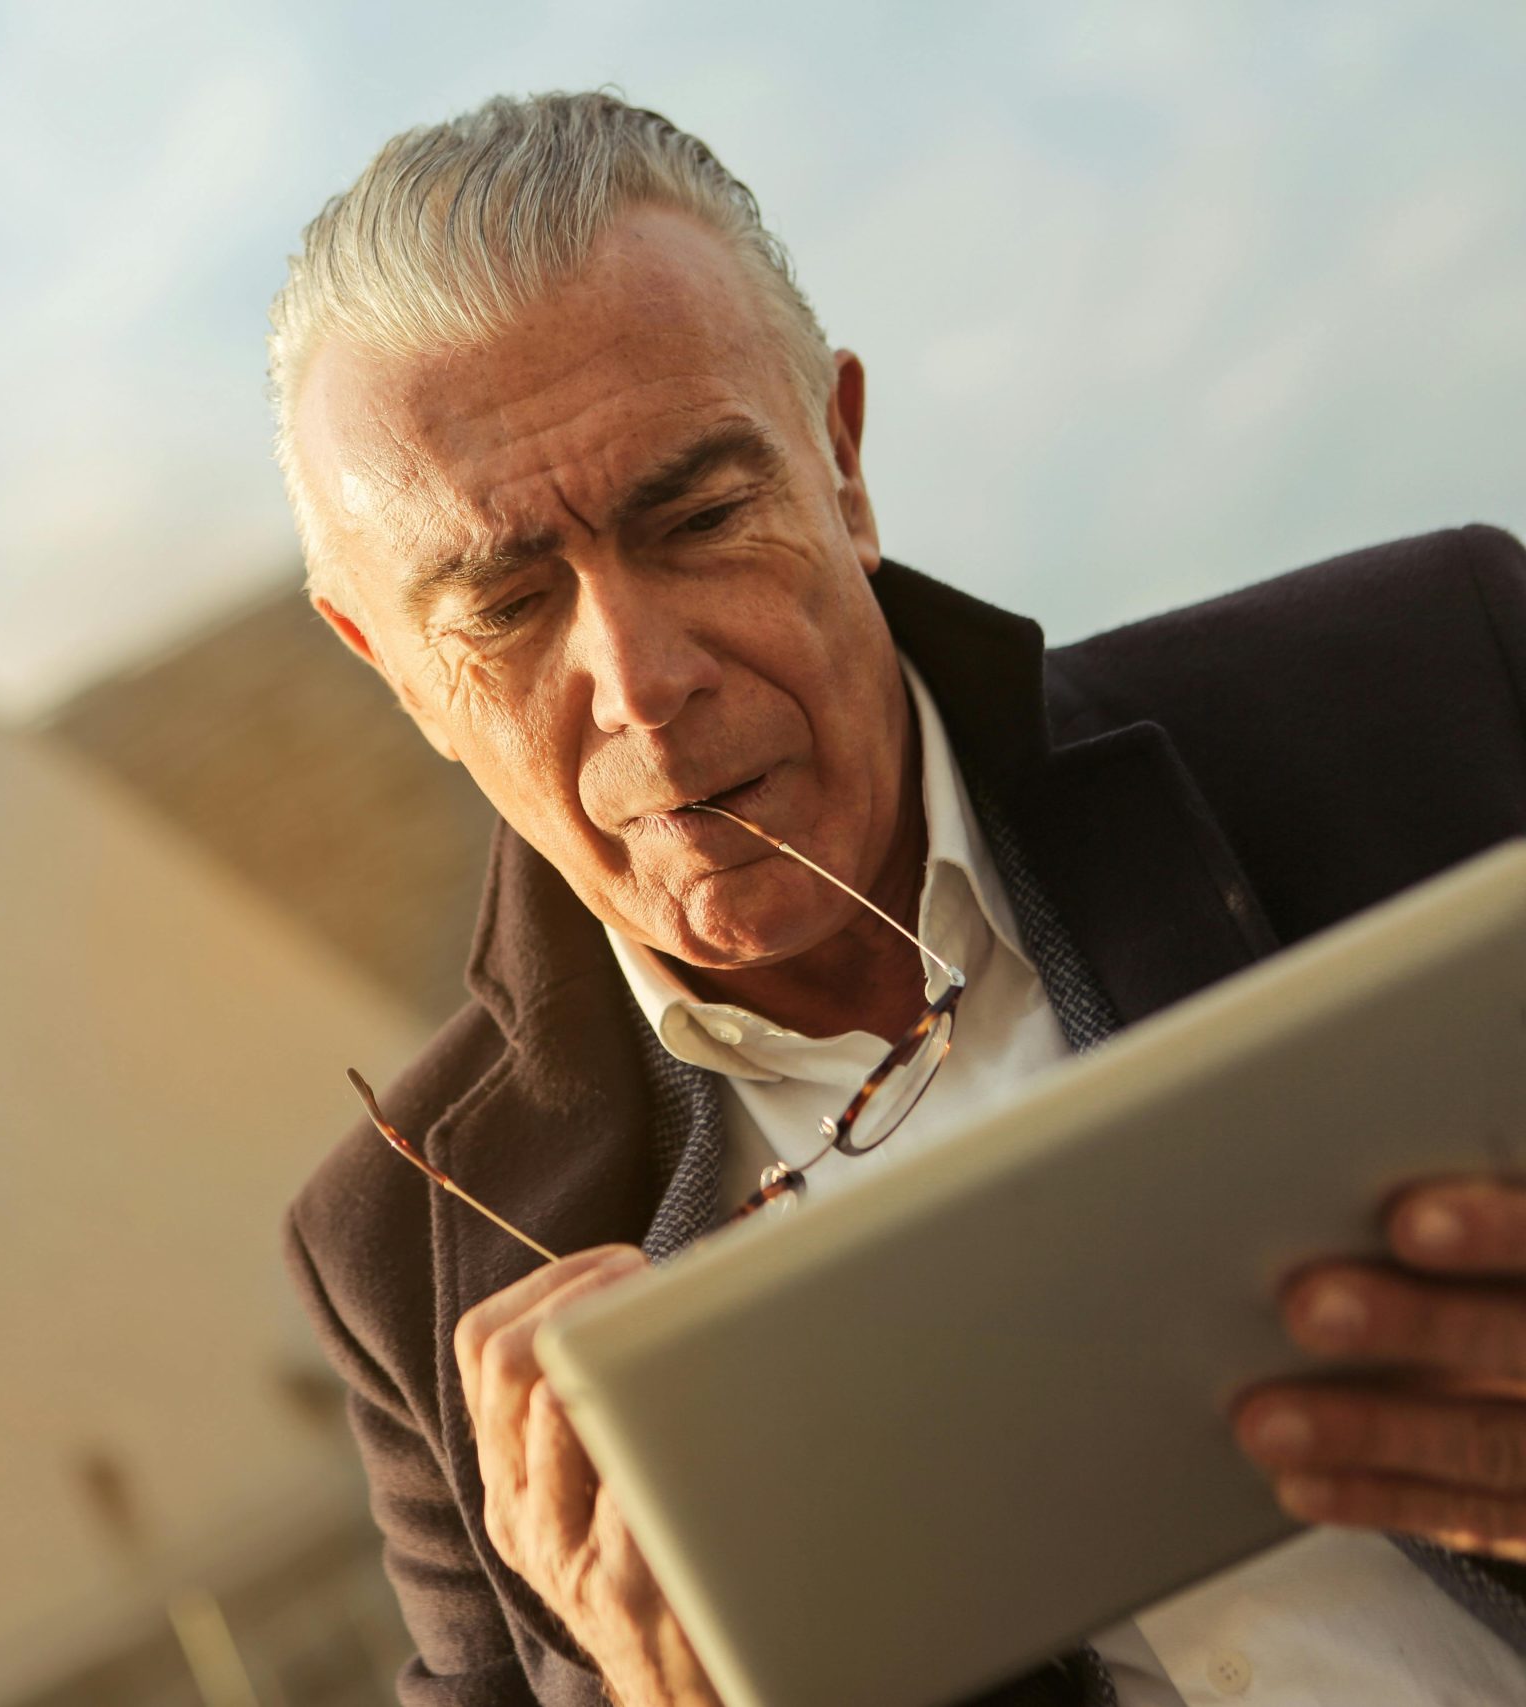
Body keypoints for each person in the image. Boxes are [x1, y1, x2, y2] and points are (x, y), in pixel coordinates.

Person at [270, 90, 1526, 1707]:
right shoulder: (404, 1254)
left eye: (704, 518)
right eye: (506, 604)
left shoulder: (1443, 684)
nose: (641, 686)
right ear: (393, 668)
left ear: (844, 464)